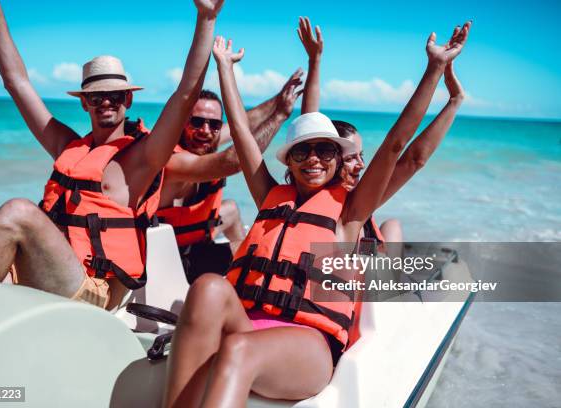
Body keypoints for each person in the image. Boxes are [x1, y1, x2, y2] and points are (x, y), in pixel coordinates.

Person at [162, 18, 471, 407]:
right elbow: (241, 135)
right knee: (207, 286)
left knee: (239, 350)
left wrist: (434, 70)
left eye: (325, 151)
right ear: (288, 160)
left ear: (338, 160)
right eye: (303, 151)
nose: (314, 159)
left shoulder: (351, 211)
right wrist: (225, 69)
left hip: (308, 344)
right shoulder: (273, 195)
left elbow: (399, 149)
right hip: (250, 324)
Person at [0, 0, 225, 310]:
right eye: (97, 96)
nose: (106, 102)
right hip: (48, 272)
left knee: (18, 212)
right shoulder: (67, 146)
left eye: (115, 95)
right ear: (85, 103)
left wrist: (206, 18)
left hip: (95, 290)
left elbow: (186, 94)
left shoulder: (144, 157)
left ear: (129, 99)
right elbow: (17, 84)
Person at [297, 16, 467, 258]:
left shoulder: (358, 198)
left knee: (391, 226)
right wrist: (437, 73)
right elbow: (405, 153)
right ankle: (389, 289)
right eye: (352, 158)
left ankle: (389, 282)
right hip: (339, 285)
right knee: (387, 233)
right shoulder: (347, 202)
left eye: (361, 156)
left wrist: (454, 101)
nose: (361, 165)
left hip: (356, 268)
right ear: (329, 159)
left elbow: (414, 159)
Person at [154, 75, 303, 283]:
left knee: (231, 208)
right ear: (182, 122)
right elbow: (233, 160)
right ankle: (244, 273)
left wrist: (279, 99)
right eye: (196, 122)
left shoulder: (204, 138)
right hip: (171, 260)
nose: (205, 131)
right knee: (250, 254)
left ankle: (241, 270)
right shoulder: (173, 160)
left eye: (214, 125)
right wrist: (278, 116)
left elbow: (244, 122)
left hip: (197, 243)